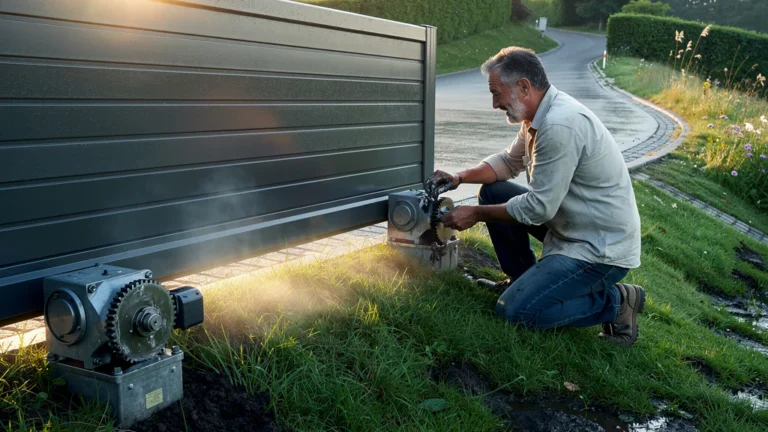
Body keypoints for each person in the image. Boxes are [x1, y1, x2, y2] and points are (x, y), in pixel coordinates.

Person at [431, 47, 644, 346]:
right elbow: (507, 163)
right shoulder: (537, 116)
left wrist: (476, 214)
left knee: (515, 313)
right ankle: (522, 279)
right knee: (494, 191)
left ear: (523, 87)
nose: (494, 104)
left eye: (496, 93)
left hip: (597, 249)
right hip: (572, 227)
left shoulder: (559, 125)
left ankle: (616, 302)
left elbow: (537, 209)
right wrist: (460, 177)